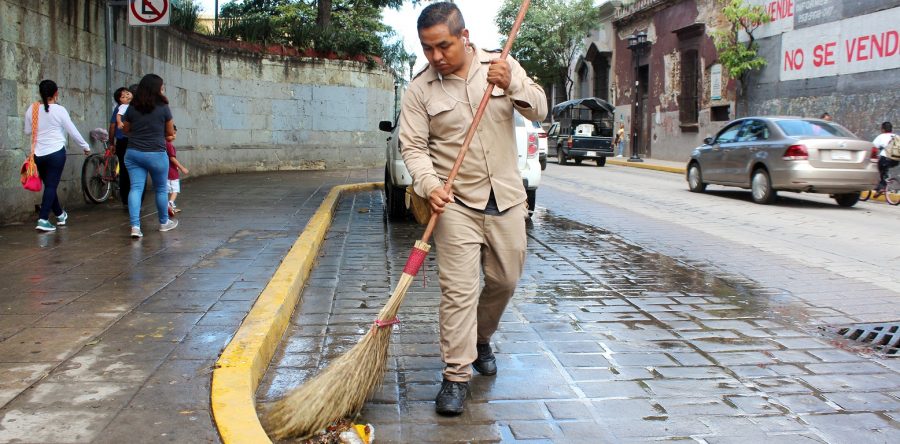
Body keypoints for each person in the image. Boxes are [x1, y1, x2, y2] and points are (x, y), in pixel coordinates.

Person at [398, 2, 547, 416]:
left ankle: (482, 337)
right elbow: (412, 146)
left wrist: (513, 84)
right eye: (428, 49)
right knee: (458, 292)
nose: (436, 57)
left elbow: (540, 107)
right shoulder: (420, 90)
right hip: (456, 204)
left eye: (443, 46)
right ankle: (455, 376)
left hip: (507, 197)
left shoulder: (500, 64)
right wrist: (429, 185)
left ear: (463, 36)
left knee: (505, 279)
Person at [23, 80, 91, 232]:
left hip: (38, 154)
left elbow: (28, 131)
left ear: (40, 93)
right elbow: (72, 131)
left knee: (49, 186)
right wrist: (85, 146)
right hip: (56, 153)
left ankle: (60, 215)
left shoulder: (32, 109)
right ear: (56, 93)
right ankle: (43, 218)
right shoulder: (60, 110)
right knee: (52, 186)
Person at [122, 74, 178, 238]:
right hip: (156, 154)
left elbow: (125, 129)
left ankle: (135, 227)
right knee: (160, 189)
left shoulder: (133, 107)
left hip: (133, 153)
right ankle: (164, 222)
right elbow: (169, 132)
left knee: (136, 188)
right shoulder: (163, 107)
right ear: (157, 89)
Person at [108, 87, 135, 205]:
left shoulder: (119, 110)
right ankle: (132, 197)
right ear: (119, 100)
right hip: (130, 141)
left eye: (127, 93)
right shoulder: (132, 108)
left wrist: (111, 143)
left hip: (122, 142)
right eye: (122, 95)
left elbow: (112, 126)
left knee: (123, 169)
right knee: (132, 170)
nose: (126, 96)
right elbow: (113, 126)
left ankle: (125, 199)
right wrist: (111, 143)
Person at [165, 126, 189, 216]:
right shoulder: (169, 145)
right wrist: (182, 167)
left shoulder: (164, 144)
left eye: (174, 133)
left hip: (167, 171)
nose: (173, 136)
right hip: (171, 172)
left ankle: (171, 206)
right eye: (171, 134)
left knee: (168, 190)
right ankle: (170, 204)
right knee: (175, 190)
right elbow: (172, 158)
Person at [873, 121, 899, 193]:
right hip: (896, 160)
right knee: (884, 170)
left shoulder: (881, 136)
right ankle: (887, 181)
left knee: (877, 169)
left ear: (883, 129)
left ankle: (881, 187)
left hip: (885, 158)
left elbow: (873, 147)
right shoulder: (896, 136)